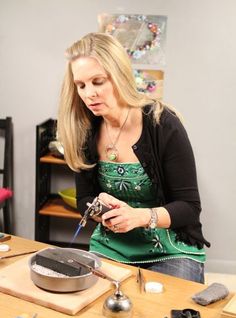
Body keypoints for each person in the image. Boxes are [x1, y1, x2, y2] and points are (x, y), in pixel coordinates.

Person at [57, 32, 210, 284]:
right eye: (81, 85)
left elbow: (189, 208)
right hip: (112, 247)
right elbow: (84, 199)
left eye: (98, 81)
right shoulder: (85, 131)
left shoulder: (162, 124)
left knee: (164, 316)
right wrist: (100, 208)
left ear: (120, 75)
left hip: (171, 251)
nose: (89, 94)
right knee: (94, 314)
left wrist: (139, 217)